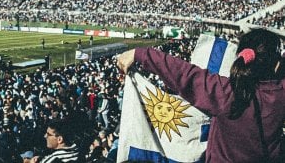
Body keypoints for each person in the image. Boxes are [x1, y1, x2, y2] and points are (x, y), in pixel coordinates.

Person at [116, 28, 285, 162]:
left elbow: (185, 75)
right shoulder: (280, 94)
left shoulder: (227, 93)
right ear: (276, 65)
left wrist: (142, 54)